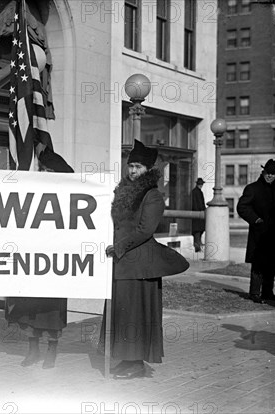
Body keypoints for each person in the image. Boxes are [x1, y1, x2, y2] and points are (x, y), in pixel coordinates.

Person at [100, 140, 189, 380]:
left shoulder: (153, 196)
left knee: (135, 315)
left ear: (148, 170)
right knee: (123, 312)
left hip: (139, 264)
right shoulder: (123, 192)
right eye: (131, 166)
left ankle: (136, 364)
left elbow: (144, 230)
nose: (132, 171)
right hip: (122, 263)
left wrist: (118, 247)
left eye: (138, 167)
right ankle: (126, 359)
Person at [5, 147, 74, 369]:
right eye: (42, 169)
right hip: (34, 261)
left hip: (56, 262)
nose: (44, 173)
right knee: (30, 308)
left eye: (49, 170)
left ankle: (51, 351)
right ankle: (33, 350)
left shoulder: (69, 196)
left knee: (52, 310)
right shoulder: (33, 192)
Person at [236, 159, 275, 304]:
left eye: (273, 174)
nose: (270, 176)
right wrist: (255, 219)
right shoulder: (252, 188)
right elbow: (242, 207)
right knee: (258, 265)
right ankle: (254, 293)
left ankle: (268, 293)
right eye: (268, 173)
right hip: (259, 235)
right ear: (263, 172)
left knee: (272, 265)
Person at [191, 178, 206, 252]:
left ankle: (198, 244)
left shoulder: (197, 191)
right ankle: (197, 245)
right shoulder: (196, 192)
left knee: (199, 231)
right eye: (200, 184)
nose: (201, 185)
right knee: (197, 231)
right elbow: (198, 204)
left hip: (198, 214)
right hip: (197, 214)